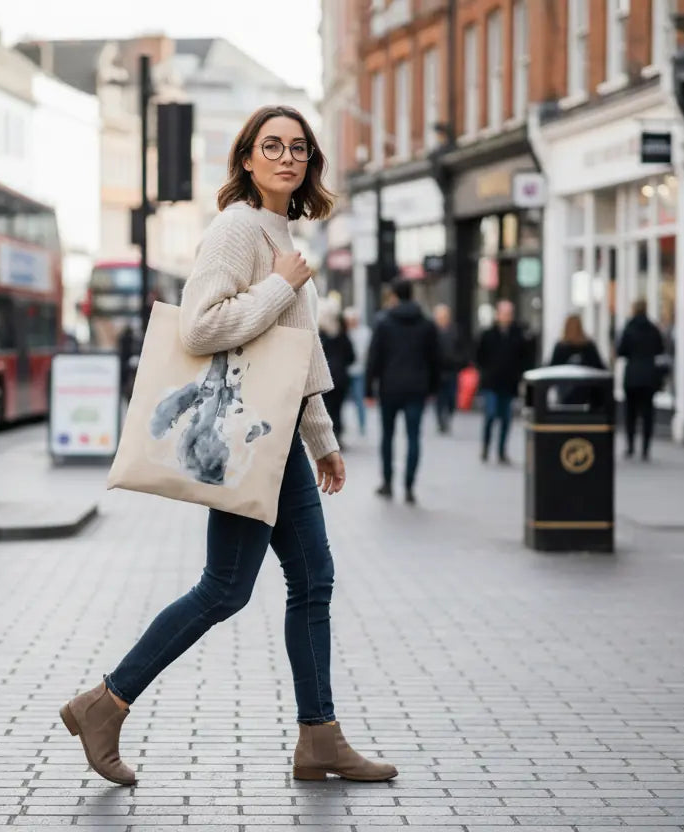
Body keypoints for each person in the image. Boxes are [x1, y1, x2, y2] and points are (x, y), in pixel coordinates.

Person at [60, 105, 397, 787]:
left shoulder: (279, 228)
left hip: (275, 441)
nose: (287, 157)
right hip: (250, 442)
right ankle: (107, 702)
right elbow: (201, 328)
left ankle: (319, 737)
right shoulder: (239, 228)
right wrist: (282, 284)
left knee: (309, 580)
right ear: (246, 157)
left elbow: (291, 357)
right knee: (227, 589)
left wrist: (322, 440)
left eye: (299, 147)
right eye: (271, 145)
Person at [366, 279, 440, 504]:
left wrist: (369, 387)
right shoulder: (426, 324)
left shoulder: (384, 322)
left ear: (395, 296)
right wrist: (433, 388)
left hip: (390, 388)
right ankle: (409, 485)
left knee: (387, 436)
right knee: (413, 437)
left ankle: (388, 483)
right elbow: (435, 359)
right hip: (417, 388)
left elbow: (374, 356)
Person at [475, 300, 529, 464]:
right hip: (491, 383)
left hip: (509, 383)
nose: (506, 317)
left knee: (506, 418)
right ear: (497, 315)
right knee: (490, 415)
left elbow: (524, 358)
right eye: (503, 313)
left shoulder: (518, 335)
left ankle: (501, 451)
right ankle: (486, 447)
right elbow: (479, 356)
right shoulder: (488, 334)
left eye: (509, 314)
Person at [617, 298, 667, 461]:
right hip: (649, 376)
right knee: (647, 413)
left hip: (632, 375)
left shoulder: (628, 328)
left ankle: (630, 446)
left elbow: (621, 351)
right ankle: (645, 448)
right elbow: (660, 349)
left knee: (630, 412)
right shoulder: (653, 329)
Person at [318, 298, 354, 443]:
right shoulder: (342, 335)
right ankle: (337, 435)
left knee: (326, 409)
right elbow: (351, 356)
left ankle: (329, 438)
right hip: (340, 378)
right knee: (338, 409)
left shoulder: (321, 335)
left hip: (325, 376)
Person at [432, 304, 460, 434]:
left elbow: (461, 348)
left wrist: (458, 361)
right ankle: (440, 421)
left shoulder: (454, 330)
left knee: (451, 397)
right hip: (437, 370)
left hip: (452, 369)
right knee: (439, 398)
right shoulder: (432, 331)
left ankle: (448, 416)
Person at [343, 307, 370, 437]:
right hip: (346, 371)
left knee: (359, 399)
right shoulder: (344, 333)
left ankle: (362, 425)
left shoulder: (365, 333)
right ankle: (342, 426)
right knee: (342, 402)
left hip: (359, 370)